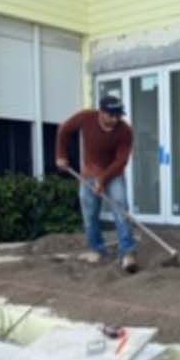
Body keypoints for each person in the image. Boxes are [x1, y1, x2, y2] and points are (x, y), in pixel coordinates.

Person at [55, 94, 139, 273]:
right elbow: (64, 130)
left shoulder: (125, 131)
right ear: (101, 112)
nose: (115, 119)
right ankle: (97, 249)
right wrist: (61, 155)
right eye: (111, 115)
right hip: (89, 173)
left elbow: (121, 161)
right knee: (90, 214)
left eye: (118, 115)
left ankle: (128, 253)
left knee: (121, 210)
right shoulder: (86, 118)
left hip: (114, 174)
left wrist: (103, 179)